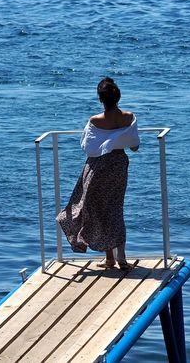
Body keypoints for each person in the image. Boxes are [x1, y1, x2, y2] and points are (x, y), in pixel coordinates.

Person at [56, 77, 140, 270]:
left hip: (97, 168)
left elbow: (88, 147)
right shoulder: (129, 117)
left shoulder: (95, 120)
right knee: (115, 209)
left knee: (94, 209)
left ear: (101, 99)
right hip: (118, 165)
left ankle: (109, 257)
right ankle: (121, 258)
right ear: (118, 96)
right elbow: (134, 146)